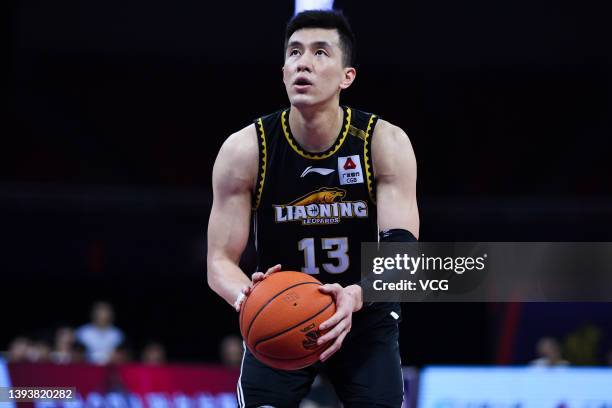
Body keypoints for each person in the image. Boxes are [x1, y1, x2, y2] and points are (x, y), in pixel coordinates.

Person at [207, 9, 419, 408]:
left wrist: (357, 295)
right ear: (284, 71)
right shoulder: (245, 149)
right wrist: (247, 297)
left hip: (364, 312)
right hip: (282, 313)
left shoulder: (383, 142)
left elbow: (402, 254)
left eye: (320, 52)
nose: (303, 61)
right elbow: (218, 262)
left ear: (346, 77)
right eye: (294, 52)